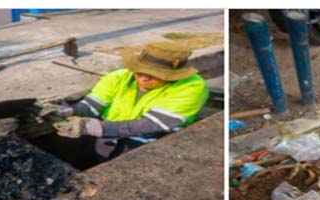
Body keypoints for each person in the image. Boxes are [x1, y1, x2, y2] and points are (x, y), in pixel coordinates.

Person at [34, 41, 209, 163]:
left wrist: (95, 128)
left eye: (155, 75)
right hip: (107, 138)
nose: (143, 78)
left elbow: (150, 125)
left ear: (173, 75)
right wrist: (68, 112)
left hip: (148, 145)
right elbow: (91, 106)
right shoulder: (119, 77)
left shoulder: (192, 87)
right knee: (100, 159)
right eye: (140, 71)